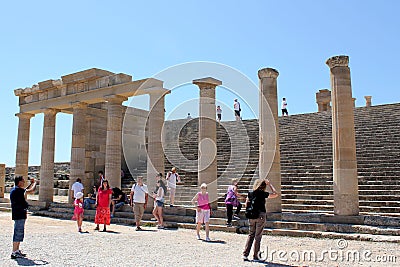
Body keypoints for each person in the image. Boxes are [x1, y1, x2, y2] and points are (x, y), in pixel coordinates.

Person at [242, 179, 278, 262]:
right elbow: (275, 194)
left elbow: (246, 204)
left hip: (251, 216)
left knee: (251, 235)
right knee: (258, 236)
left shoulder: (250, 193)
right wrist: (270, 184)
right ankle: (256, 256)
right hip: (261, 215)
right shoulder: (262, 194)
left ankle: (245, 254)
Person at [10, 176, 36, 259]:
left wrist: (30, 184)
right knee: (18, 232)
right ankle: (14, 251)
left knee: (19, 232)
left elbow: (24, 191)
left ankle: (17, 250)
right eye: (23, 181)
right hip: (19, 214)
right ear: (19, 182)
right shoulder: (18, 191)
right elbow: (31, 191)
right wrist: (35, 183)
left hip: (18, 213)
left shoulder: (16, 190)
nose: (24, 182)